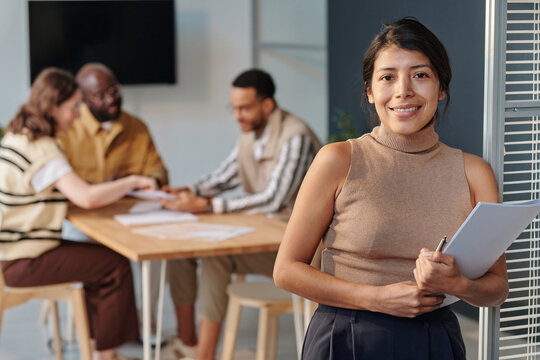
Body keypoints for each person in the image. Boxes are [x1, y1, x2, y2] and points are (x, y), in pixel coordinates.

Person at [273, 17, 509, 359]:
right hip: (345, 336)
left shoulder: (474, 173)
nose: (403, 91)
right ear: (370, 91)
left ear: (441, 88)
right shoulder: (337, 160)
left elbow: (497, 289)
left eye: (420, 75)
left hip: (435, 340)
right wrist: (376, 299)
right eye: (387, 77)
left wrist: (458, 285)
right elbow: (286, 270)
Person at [161, 69, 321, 359]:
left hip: (301, 250)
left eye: (244, 108)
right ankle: (188, 342)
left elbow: (274, 199)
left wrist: (208, 206)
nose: (237, 115)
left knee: (216, 255)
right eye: (234, 108)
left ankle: (204, 356)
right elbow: (223, 177)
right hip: (267, 237)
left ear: (267, 105)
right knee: (181, 250)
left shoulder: (295, 136)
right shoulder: (250, 135)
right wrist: (185, 190)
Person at [0, 67, 157, 360]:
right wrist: (133, 181)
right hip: (24, 259)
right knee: (114, 266)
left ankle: (100, 348)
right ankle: (105, 354)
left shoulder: (16, 136)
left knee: (98, 264)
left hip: (11, 252)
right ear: (53, 107)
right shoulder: (44, 149)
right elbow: (86, 197)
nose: (76, 115)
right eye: (73, 108)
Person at [56, 62, 168, 333]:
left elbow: (158, 171)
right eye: (100, 95)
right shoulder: (68, 128)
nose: (111, 99)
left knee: (156, 252)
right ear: (82, 99)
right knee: (103, 259)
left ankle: (147, 322)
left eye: (114, 90)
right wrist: (112, 185)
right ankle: (97, 330)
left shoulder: (136, 127)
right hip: (80, 220)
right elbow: (66, 187)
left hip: (128, 215)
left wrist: (148, 181)